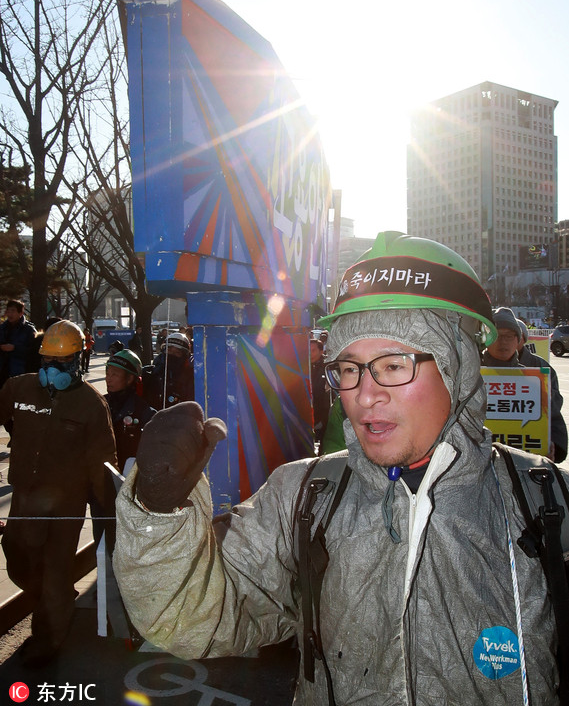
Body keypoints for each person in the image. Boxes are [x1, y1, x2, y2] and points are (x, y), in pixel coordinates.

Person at [114, 231, 569, 705]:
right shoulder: (305, 496)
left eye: (393, 365)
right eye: (349, 368)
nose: (364, 394)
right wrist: (158, 513)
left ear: (459, 367)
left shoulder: (543, 501)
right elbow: (191, 617)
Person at [0, 320, 116, 667]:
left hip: (64, 505)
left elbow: (102, 465)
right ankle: (59, 595)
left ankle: (47, 641)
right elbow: (7, 420)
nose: (53, 370)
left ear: (78, 361)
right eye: (48, 362)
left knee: (53, 571)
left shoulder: (91, 406)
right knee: (18, 557)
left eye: (61, 363)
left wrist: (109, 515)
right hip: (24, 497)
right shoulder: (17, 389)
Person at [481, 308, 568, 462]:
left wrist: (551, 447)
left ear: (519, 340)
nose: (503, 341)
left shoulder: (535, 379)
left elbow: (553, 421)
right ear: (486, 338)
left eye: (509, 336)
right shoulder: (470, 373)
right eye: (498, 335)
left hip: (525, 470)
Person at [105, 349, 156, 472]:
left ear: (129, 379)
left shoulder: (145, 413)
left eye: (115, 374)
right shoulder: (99, 404)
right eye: (107, 374)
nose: (108, 379)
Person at [142, 332, 195, 411]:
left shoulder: (190, 377)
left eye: (177, 352)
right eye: (169, 350)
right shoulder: (150, 374)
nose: (172, 354)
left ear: (184, 355)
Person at [0, 299, 36, 387]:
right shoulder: (2, 328)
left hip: (20, 372)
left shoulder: (29, 330)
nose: (10, 314)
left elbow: (33, 351)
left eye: (13, 311)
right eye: (8, 311)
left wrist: (14, 348)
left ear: (21, 313)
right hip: (2, 372)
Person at [310, 337, 330, 448]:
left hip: (324, 413)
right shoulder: (303, 366)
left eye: (313, 350)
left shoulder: (328, 366)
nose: (310, 354)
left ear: (321, 351)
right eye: (308, 351)